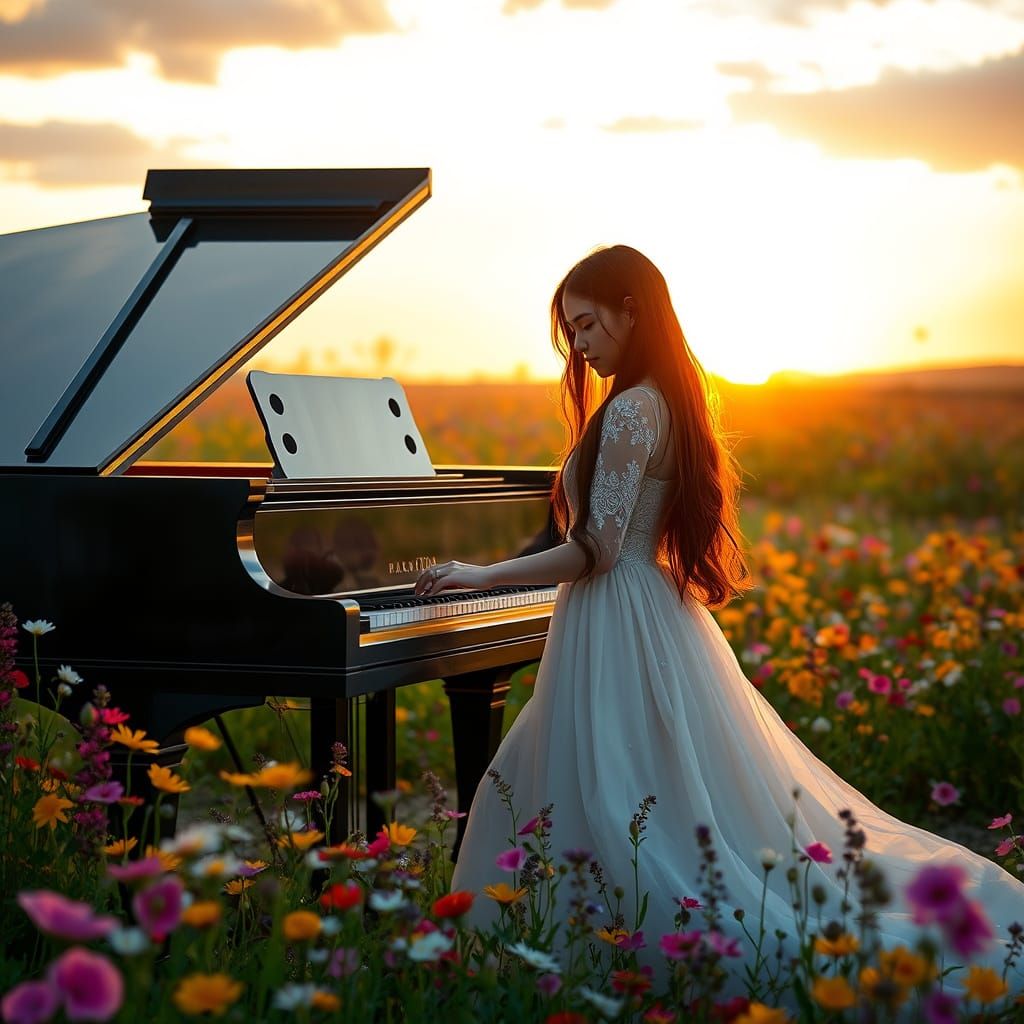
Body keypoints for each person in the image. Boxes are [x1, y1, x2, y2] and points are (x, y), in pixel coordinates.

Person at [413, 244, 1024, 1011]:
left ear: (632, 308)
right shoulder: (663, 398)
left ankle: (598, 941)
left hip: (619, 609)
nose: (581, 344)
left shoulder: (635, 407)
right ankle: (590, 934)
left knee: (610, 784)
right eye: (570, 330)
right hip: (643, 610)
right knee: (625, 780)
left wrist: (481, 576)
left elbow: (596, 549)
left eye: (588, 323)